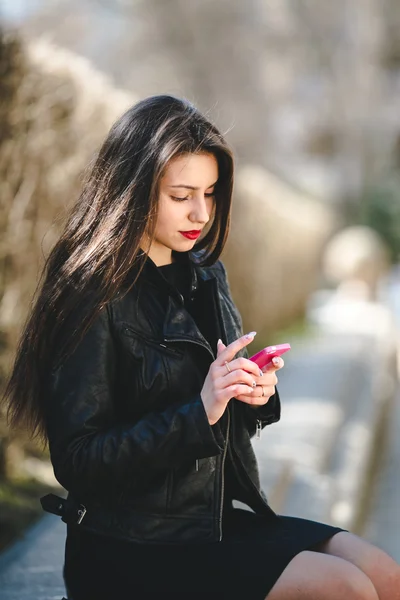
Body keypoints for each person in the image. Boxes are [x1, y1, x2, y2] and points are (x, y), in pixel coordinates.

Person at [2, 95, 399, 600]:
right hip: (128, 544)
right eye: (181, 195)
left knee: (384, 573)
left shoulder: (205, 273)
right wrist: (201, 410)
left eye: (210, 193)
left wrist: (252, 392)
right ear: (133, 190)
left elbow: (220, 406)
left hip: (208, 520)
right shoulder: (89, 294)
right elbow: (79, 461)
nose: (201, 213)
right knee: (343, 588)